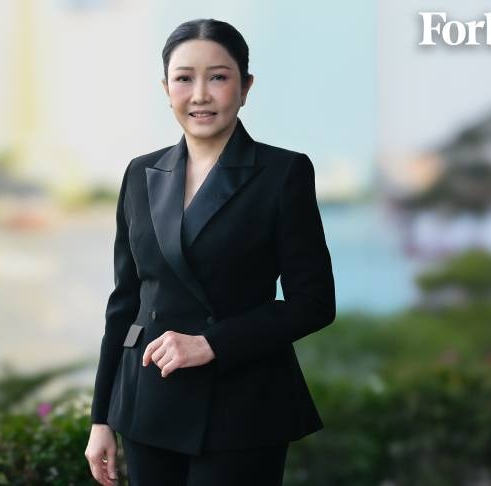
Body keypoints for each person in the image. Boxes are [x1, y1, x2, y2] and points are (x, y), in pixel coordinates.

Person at [84, 18, 336, 486]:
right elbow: (125, 304)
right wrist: (102, 417)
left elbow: (314, 303)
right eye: (184, 78)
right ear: (166, 89)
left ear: (245, 87)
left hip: (242, 409)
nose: (200, 95)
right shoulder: (140, 173)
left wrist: (210, 343)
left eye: (218, 77)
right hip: (147, 405)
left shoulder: (283, 172)